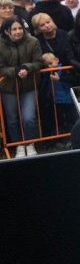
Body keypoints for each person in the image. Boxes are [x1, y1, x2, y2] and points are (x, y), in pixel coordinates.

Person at [0, 16, 43, 158]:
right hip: (8, 87)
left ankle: (30, 143)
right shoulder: (1, 44)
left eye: (20, 28)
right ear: (7, 31)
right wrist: (15, 71)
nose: (18, 31)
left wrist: (27, 68)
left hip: (29, 85)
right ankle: (18, 145)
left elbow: (38, 62)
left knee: (28, 117)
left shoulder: (33, 41)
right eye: (14, 29)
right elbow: (1, 68)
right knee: (12, 119)